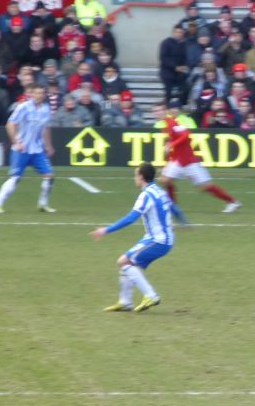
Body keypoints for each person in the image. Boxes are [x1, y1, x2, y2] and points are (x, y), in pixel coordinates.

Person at [89, 163, 175, 312]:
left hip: (158, 241)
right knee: (128, 265)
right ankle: (125, 302)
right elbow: (174, 208)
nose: (135, 178)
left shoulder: (146, 194)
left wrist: (106, 230)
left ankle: (151, 295)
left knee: (124, 262)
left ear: (141, 176)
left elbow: (131, 218)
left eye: (136, 175)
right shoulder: (159, 191)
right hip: (159, 239)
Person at [153, 102, 241, 214]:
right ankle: (172, 206)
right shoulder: (165, 125)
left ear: (166, 111)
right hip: (178, 161)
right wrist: (166, 162)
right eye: (155, 111)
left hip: (189, 161)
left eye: (160, 110)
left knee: (205, 187)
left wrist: (172, 144)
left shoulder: (172, 123)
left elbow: (186, 135)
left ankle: (232, 201)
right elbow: (170, 146)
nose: (158, 113)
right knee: (165, 180)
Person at [0, 83, 56, 214]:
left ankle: (43, 204)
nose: (39, 95)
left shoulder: (46, 109)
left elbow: (46, 128)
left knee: (49, 176)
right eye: (36, 93)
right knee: (15, 178)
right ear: (31, 93)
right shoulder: (23, 107)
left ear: (44, 95)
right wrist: (16, 142)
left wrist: (48, 145)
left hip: (37, 149)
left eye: (42, 93)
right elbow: (10, 125)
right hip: (22, 149)